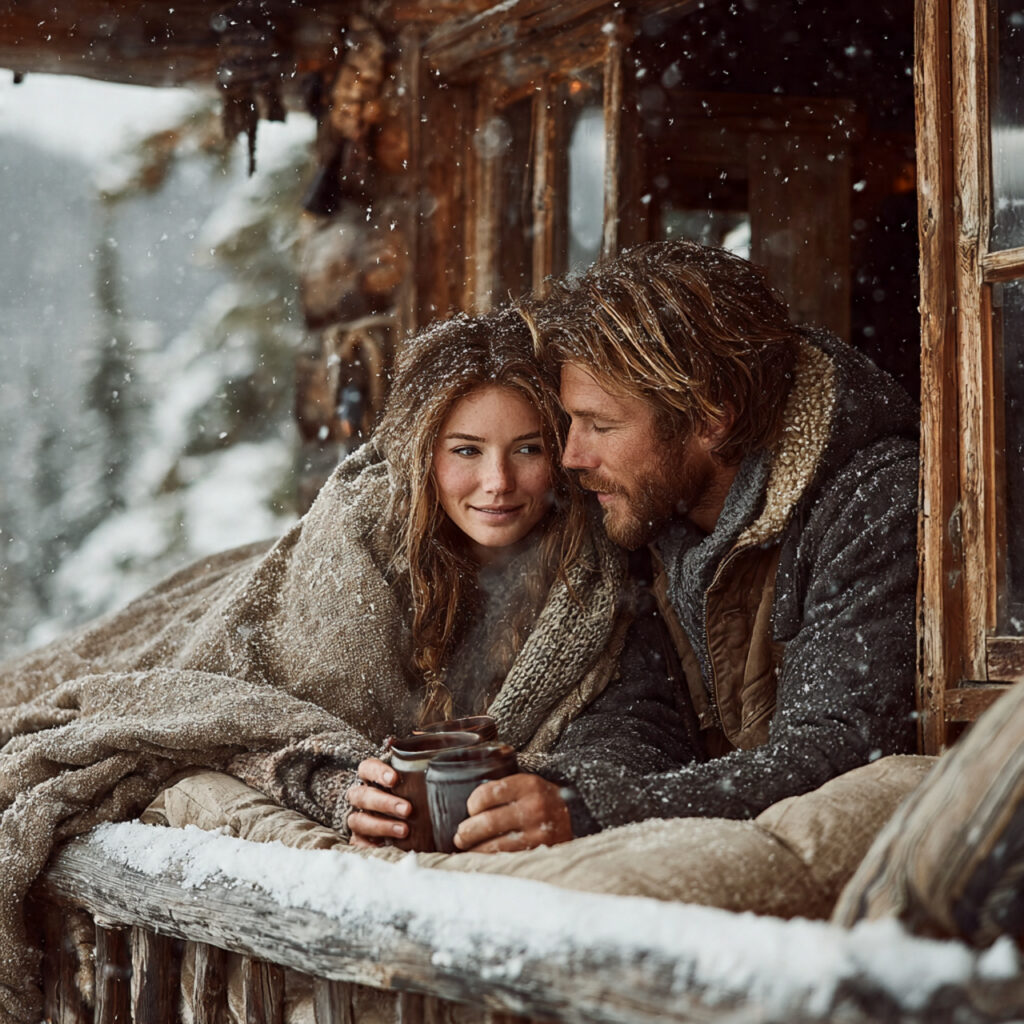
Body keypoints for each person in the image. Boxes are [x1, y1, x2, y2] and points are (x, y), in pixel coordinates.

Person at [0, 306, 690, 1024]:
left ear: (561, 452)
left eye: (526, 449)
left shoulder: (598, 575)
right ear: (423, 451)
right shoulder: (357, 546)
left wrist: (557, 794)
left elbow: (637, 726)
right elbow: (237, 696)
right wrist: (332, 784)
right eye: (465, 450)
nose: (497, 483)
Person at [519, 239, 919, 827]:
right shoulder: (643, 512)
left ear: (710, 416)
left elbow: (840, 752)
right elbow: (640, 716)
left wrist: (597, 808)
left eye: (600, 425)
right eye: (570, 421)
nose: (572, 456)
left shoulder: (873, 502)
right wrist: (557, 791)